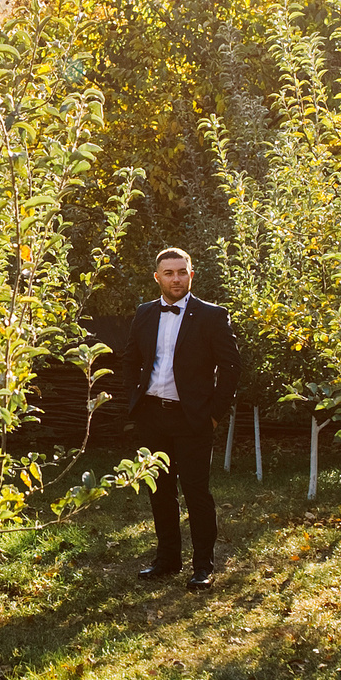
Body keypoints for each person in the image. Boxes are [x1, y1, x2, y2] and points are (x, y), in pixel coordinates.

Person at [117, 246, 241, 589]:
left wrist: (214, 415)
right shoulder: (144, 313)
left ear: (191, 274)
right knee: (160, 491)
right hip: (153, 416)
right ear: (157, 277)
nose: (176, 278)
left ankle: (203, 567)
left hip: (194, 419)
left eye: (181, 272)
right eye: (169, 273)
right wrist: (135, 402)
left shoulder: (212, 315)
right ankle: (167, 560)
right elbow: (130, 360)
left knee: (197, 492)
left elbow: (231, 367)